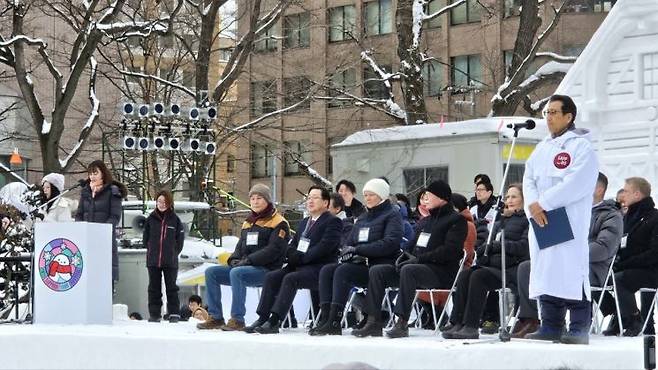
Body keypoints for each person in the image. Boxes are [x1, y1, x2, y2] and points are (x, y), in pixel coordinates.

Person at [522, 94, 599, 345]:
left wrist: (543, 204)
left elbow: (577, 183)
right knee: (546, 271)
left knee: (570, 270)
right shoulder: (541, 147)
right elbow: (528, 179)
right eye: (547, 113)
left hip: (567, 218)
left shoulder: (581, 147)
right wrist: (533, 206)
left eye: (554, 112)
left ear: (569, 116)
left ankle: (578, 327)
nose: (549, 117)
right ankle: (551, 325)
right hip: (542, 219)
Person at [513, 172, 623, 338]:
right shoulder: (572, 210)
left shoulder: (610, 215)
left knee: (568, 268)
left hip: (593, 266)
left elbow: (604, 248)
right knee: (532, 266)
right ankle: (544, 323)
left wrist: (570, 252)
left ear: (598, 189)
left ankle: (577, 328)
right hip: (564, 259)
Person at [353, 180, 467, 338]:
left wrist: (418, 259)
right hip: (416, 268)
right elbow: (410, 245)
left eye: (429, 196)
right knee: (378, 270)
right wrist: (403, 256)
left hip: (441, 272)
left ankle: (402, 322)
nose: (425, 199)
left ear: (442, 198)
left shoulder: (456, 220)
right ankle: (373, 321)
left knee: (409, 270)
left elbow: (450, 251)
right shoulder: (425, 221)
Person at [311, 178, 402, 336]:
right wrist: (348, 251)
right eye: (365, 195)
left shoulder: (392, 215)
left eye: (371, 195)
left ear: (381, 196)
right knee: (327, 270)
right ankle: (326, 317)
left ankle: (335, 319)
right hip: (362, 265)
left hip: (383, 266)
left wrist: (359, 250)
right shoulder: (363, 217)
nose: (367, 198)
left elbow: (390, 243)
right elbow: (350, 241)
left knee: (343, 272)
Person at [246, 186, 342, 334]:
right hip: (299, 265)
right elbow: (293, 244)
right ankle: (263, 317)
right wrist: (291, 255)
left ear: (325, 203)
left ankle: (275, 320)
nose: (310, 201)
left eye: (315, 198)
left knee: (291, 278)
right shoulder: (305, 222)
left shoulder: (333, 222)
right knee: (272, 276)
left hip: (320, 269)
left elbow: (324, 247)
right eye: (309, 198)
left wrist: (302, 258)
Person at [197, 184, 290, 331]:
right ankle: (216, 317)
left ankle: (237, 319)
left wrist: (249, 261)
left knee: (237, 273)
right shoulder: (248, 222)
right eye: (252, 198)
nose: (255, 201)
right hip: (245, 267)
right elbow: (240, 246)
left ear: (267, 200)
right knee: (211, 272)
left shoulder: (279, 222)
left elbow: (274, 250)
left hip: (267, 270)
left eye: (259, 198)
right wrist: (233, 259)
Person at [442, 184, 529, 339]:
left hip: (511, 268)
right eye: (507, 197)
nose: (509, 200)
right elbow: (485, 244)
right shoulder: (500, 221)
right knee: (465, 275)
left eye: (514, 196)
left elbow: (524, 247)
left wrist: (501, 246)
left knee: (478, 277)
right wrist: (485, 249)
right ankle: (457, 322)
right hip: (493, 264)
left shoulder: (527, 220)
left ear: (524, 199)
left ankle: (471, 325)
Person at [601, 177, 658, 337]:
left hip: (649, 270)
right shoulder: (626, 217)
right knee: (597, 278)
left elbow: (654, 254)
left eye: (626, 191)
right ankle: (618, 314)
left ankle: (633, 318)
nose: (623, 194)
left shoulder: (654, 217)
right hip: (628, 267)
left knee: (619, 279)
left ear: (637, 194)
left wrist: (625, 263)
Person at [75, 160, 128, 282]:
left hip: (104, 240)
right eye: (90, 173)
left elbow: (114, 216)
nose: (92, 176)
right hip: (87, 240)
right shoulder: (86, 192)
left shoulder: (112, 191)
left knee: (103, 278)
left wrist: (102, 231)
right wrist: (80, 228)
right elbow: (79, 214)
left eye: (95, 173)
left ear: (103, 174)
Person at [143, 190, 185, 323]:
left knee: (171, 287)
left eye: (164, 202)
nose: (161, 204)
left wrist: (173, 252)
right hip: (153, 260)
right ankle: (154, 314)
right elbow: (145, 238)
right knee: (154, 288)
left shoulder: (175, 220)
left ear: (169, 203)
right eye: (159, 201)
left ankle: (173, 313)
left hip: (170, 261)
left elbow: (180, 240)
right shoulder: (151, 219)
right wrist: (151, 249)